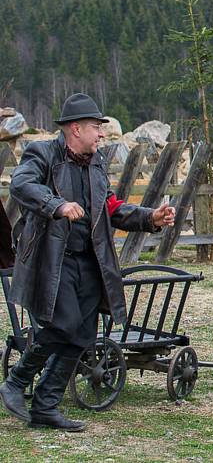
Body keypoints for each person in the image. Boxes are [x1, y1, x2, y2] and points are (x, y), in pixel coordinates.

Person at [0, 93, 175, 432]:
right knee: (61, 326)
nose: (101, 134)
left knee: (81, 336)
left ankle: (45, 406)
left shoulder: (95, 162)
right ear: (75, 129)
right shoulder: (43, 153)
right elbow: (22, 185)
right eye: (96, 128)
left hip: (90, 261)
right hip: (53, 261)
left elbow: (109, 208)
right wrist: (57, 205)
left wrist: (149, 217)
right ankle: (16, 381)